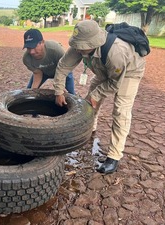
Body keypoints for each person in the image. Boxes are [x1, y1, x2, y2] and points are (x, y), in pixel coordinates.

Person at [53, 20, 146, 174]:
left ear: (94, 42)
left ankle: (114, 156)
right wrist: (58, 91)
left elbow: (115, 83)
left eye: (83, 45)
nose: (78, 48)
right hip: (104, 69)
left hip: (128, 71)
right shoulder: (79, 47)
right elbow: (63, 66)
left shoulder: (116, 51)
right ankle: (90, 129)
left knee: (121, 111)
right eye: (77, 44)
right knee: (89, 101)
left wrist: (96, 95)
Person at [22, 29, 75, 94]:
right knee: (29, 91)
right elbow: (37, 73)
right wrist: (33, 91)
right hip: (43, 72)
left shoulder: (56, 50)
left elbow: (64, 68)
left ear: (42, 42)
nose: (31, 52)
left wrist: (59, 89)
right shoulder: (27, 59)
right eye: (28, 48)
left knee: (71, 93)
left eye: (34, 47)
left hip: (62, 70)